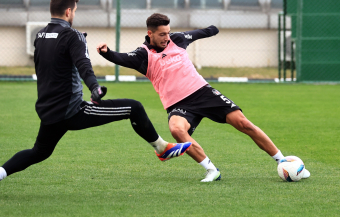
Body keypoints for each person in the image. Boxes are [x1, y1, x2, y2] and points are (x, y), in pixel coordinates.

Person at [0, 0, 192, 198]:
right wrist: (95, 88)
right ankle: (162, 148)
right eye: (75, 11)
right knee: (134, 107)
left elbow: (45, 69)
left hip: (48, 109)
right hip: (72, 110)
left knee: (39, 152)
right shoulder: (73, 35)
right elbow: (84, 66)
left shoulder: (40, 35)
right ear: (69, 12)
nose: (74, 14)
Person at [96, 13, 310, 182]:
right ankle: (211, 170)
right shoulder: (143, 55)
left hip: (203, 93)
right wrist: (106, 53)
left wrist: (213, 29)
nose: (167, 37)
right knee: (176, 130)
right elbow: (121, 57)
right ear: (150, 33)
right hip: (178, 104)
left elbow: (200, 33)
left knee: (243, 123)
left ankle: (282, 160)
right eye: (162, 34)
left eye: (168, 33)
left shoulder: (177, 40)